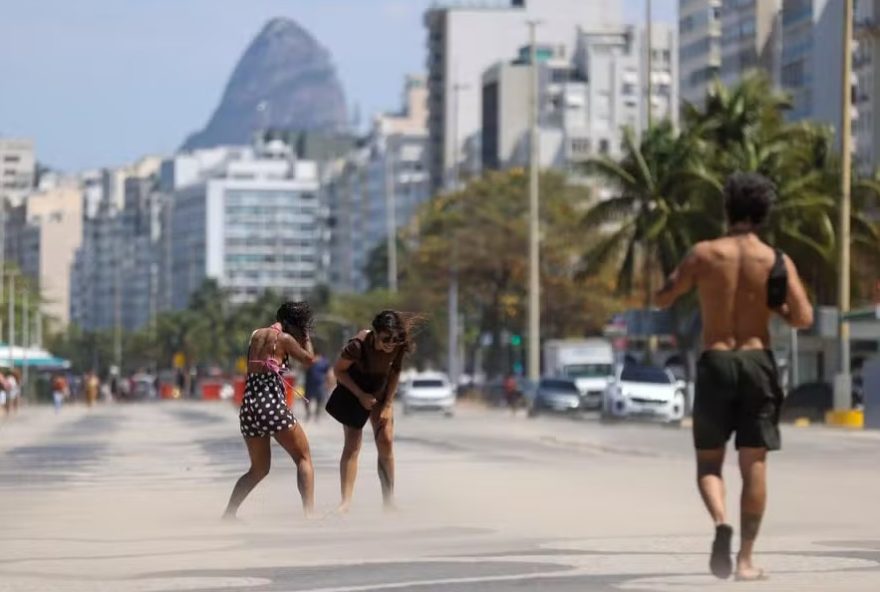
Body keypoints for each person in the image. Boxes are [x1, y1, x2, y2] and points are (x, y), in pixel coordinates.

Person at [655, 172, 813, 581]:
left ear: (727, 210)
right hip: (757, 361)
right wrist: (771, 305)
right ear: (762, 214)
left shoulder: (704, 254)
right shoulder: (776, 261)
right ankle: (745, 560)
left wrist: (681, 289)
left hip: (717, 360)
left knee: (709, 463)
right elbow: (803, 317)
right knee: (754, 463)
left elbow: (664, 296)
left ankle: (721, 521)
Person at [223, 301, 318, 520]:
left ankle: (229, 514)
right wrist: (306, 337)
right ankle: (309, 515)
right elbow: (309, 359)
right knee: (303, 458)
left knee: (258, 469)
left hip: (249, 408)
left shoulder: (256, 334)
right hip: (271, 406)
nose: (300, 331)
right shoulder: (284, 339)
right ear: (288, 324)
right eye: (300, 326)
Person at [326, 310, 421, 513]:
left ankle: (389, 500)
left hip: (380, 391)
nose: (391, 343)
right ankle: (345, 503)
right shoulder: (357, 346)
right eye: (386, 338)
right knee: (353, 445)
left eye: (395, 338)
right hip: (354, 390)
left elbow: (395, 372)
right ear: (375, 333)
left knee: (385, 441)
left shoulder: (397, 345)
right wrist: (360, 395)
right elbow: (339, 371)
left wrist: (387, 405)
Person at [304, 352, 333, 422]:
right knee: (306, 399)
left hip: (320, 384)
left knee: (320, 401)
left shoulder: (325, 361)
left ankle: (317, 415)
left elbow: (329, 372)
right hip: (309, 384)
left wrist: (329, 383)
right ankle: (308, 414)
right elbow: (304, 368)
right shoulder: (310, 360)